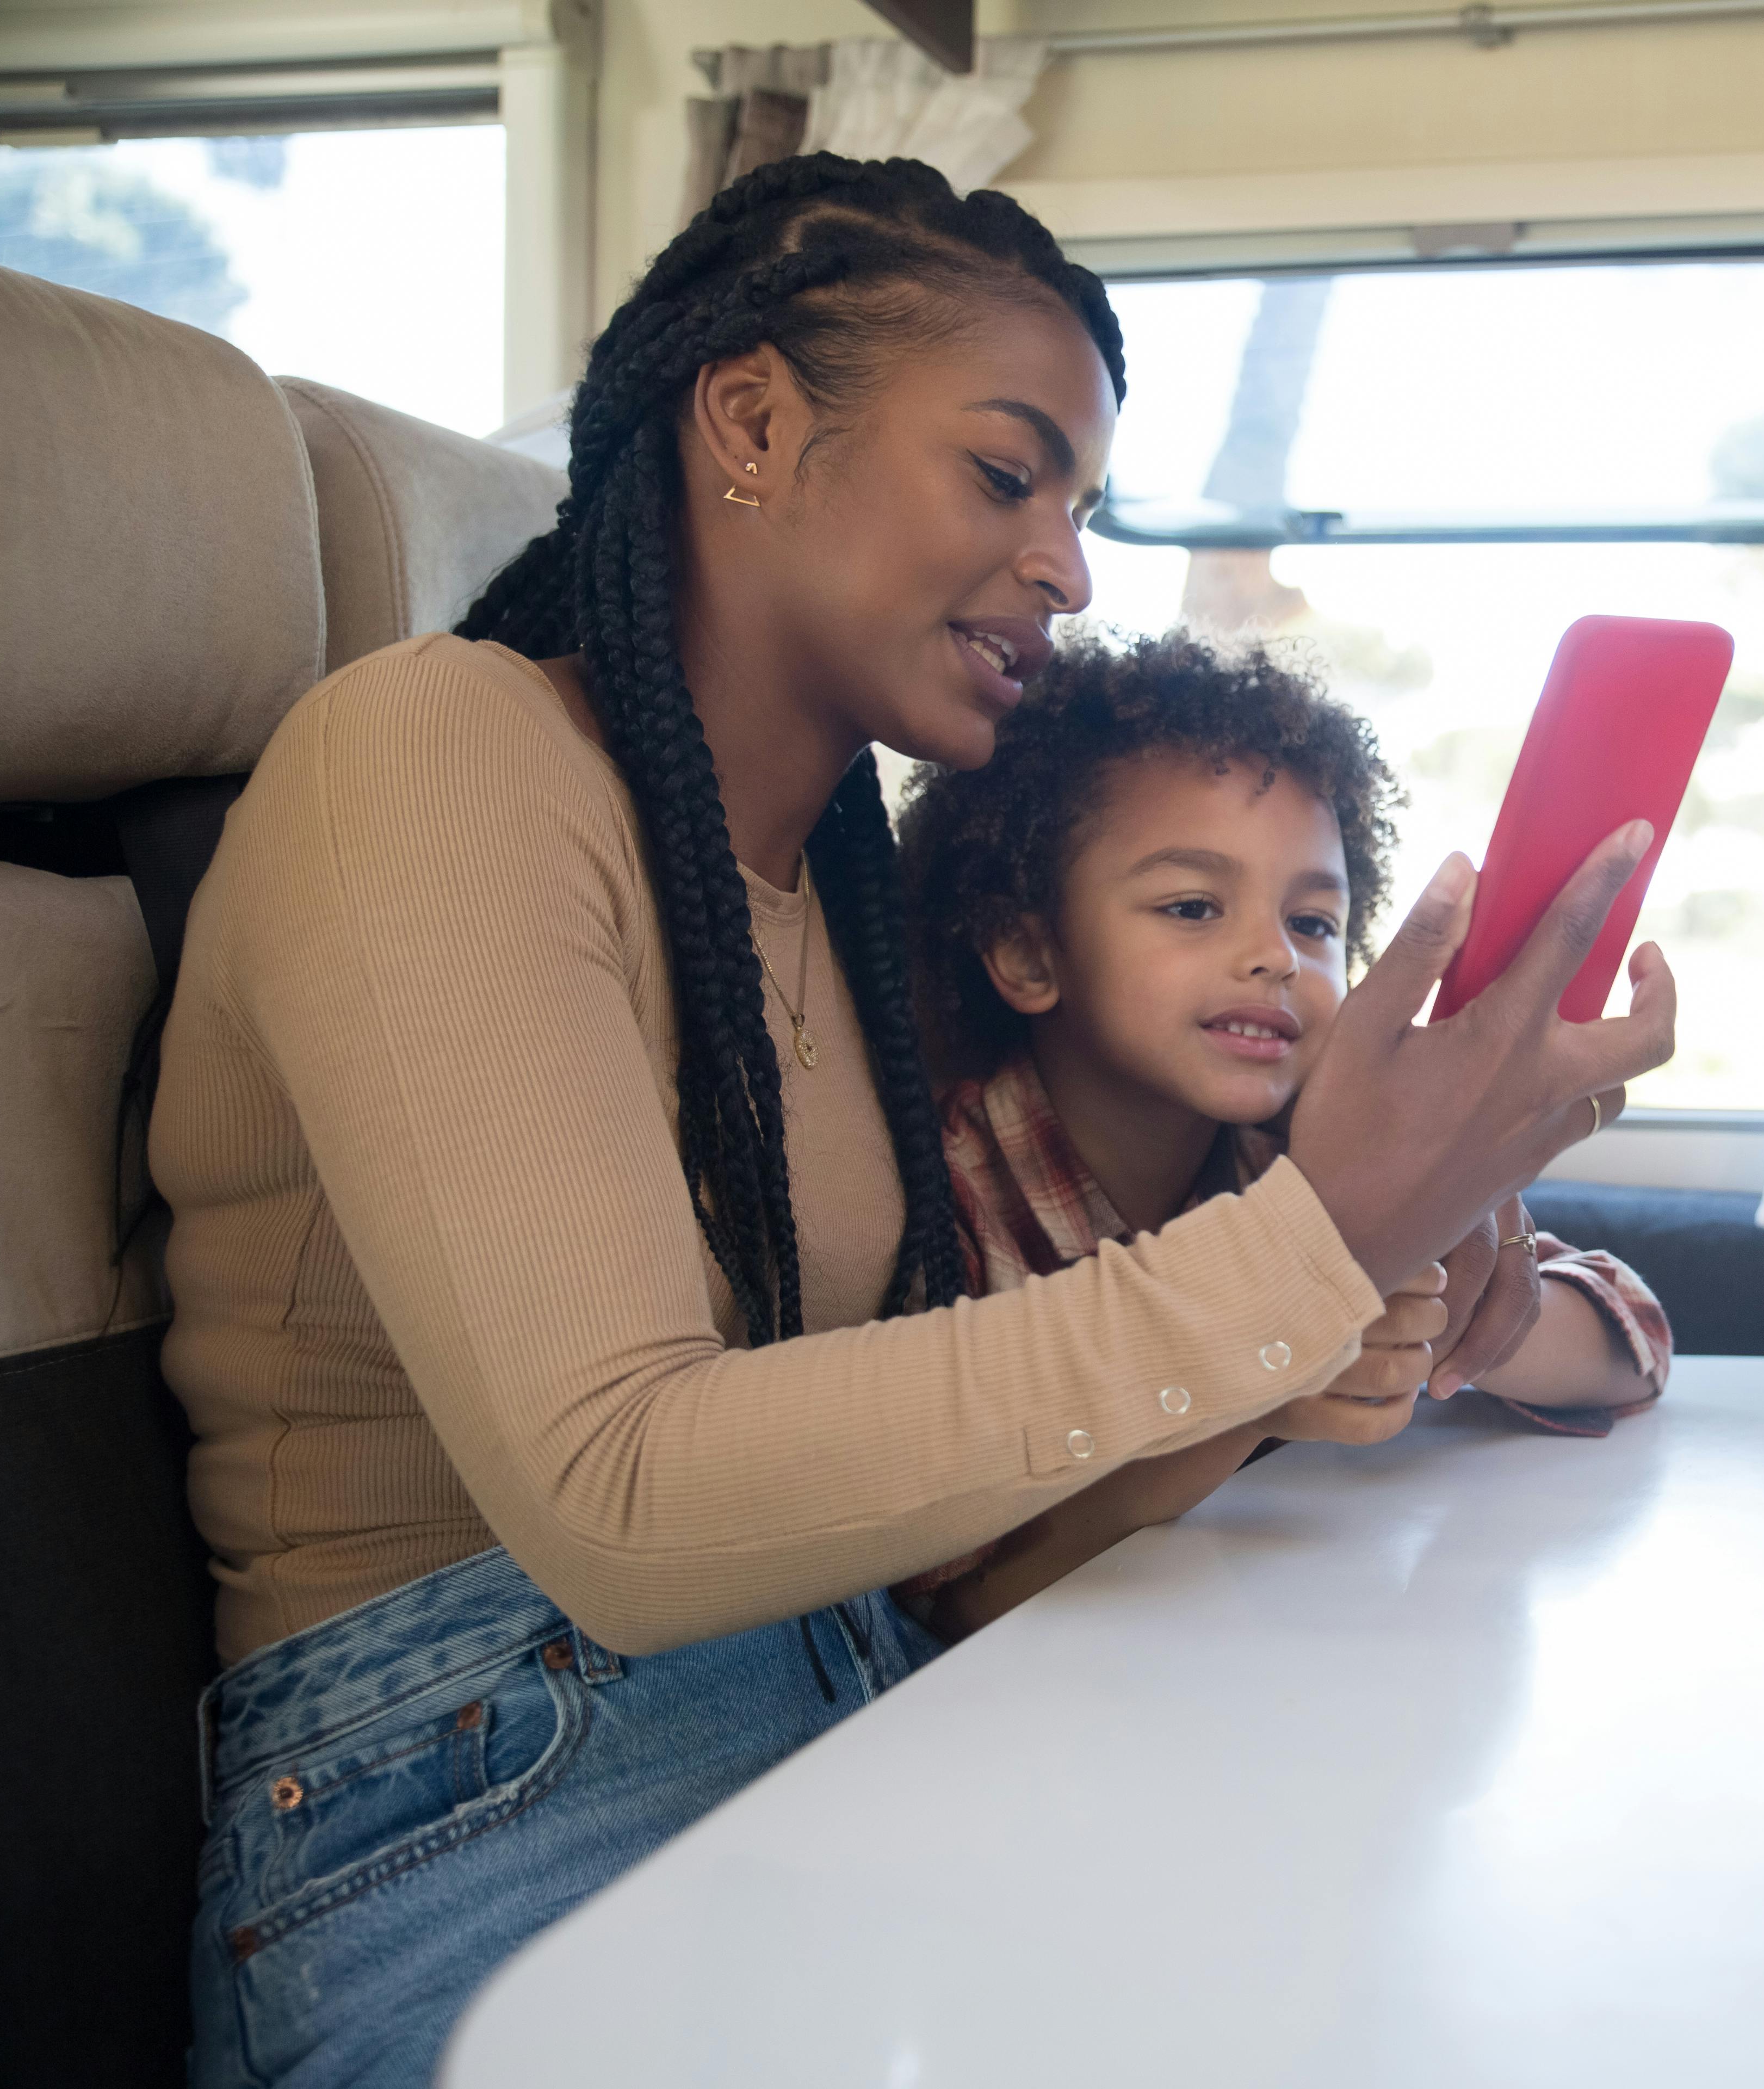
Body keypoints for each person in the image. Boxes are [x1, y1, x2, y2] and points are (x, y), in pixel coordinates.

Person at [153, 153, 1673, 2089]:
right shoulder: (430, 749)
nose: (1069, 564)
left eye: (1084, 505)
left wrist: (1305, 1343)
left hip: (834, 1703)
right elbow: (627, 1506)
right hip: (467, 1795)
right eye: (1006, 473)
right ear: (756, 423)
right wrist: (1303, 1244)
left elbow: (900, 1530)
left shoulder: (818, 893)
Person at [888, 630, 1674, 1639]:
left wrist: (1443, 1306)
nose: (1273, 957)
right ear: (1028, 951)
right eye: (1192, 906)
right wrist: (1261, 1386)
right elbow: (953, 1603)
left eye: (1314, 925)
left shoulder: (1307, 1152)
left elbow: (1635, 1333)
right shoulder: (944, 1202)